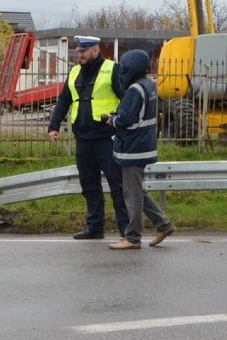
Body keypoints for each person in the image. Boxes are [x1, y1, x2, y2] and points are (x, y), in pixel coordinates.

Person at [48, 35, 129, 240]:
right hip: (83, 137)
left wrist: (118, 119)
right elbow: (64, 99)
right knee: (89, 184)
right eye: (78, 51)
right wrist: (54, 125)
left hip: (106, 137)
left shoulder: (112, 69)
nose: (79, 55)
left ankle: (127, 230)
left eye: (83, 51)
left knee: (117, 184)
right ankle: (95, 227)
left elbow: (127, 99)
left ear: (95, 50)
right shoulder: (75, 71)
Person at [103, 49, 175, 250]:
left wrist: (111, 119)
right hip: (144, 147)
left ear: (131, 68)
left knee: (132, 195)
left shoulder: (135, 89)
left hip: (132, 149)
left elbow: (126, 119)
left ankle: (133, 237)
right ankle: (163, 225)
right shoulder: (149, 85)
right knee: (137, 191)